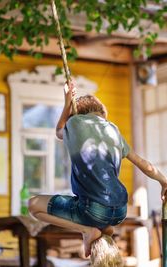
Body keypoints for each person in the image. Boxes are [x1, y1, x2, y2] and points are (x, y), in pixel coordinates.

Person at [28, 82, 167, 258]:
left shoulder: (75, 122)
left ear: (77, 113)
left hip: (94, 209)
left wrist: (67, 102)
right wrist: (164, 181)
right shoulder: (113, 131)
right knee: (103, 222)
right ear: (102, 114)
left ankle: (86, 231)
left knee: (33, 205)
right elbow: (144, 164)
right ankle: (102, 231)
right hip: (120, 210)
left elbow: (58, 131)